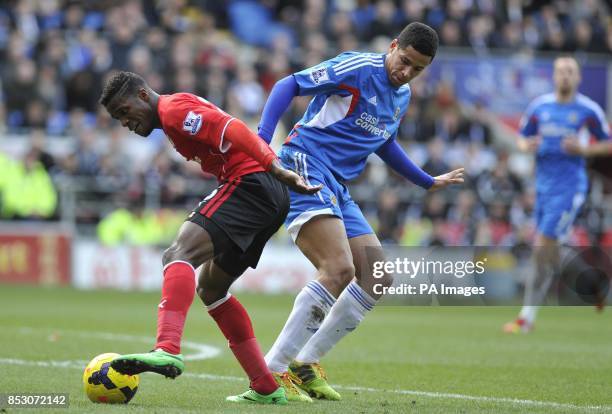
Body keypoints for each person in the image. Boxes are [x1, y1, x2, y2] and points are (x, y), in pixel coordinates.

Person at [257, 22, 464, 402]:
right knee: (338, 269)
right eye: (404, 61)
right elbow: (288, 85)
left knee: (378, 276)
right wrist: (260, 140)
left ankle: (305, 363)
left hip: (337, 186)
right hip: (304, 165)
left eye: (417, 69)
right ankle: (270, 374)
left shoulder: (402, 96)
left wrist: (426, 181)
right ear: (393, 45)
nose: (406, 72)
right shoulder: (357, 67)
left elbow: (384, 143)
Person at [99, 71, 322, 405]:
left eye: (125, 111)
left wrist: (273, 166)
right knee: (212, 289)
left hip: (252, 182)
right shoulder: (172, 117)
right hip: (265, 193)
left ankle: (167, 348)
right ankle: (265, 386)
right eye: (118, 118)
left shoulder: (173, 112)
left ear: (143, 96)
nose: (125, 122)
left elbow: (232, 128)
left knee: (177, 254)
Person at [503, 56, 611, 334]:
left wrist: (585, 150)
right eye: (560, 71)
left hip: (570, 186)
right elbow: (521, 137)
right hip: (543, 187)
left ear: (578, 78)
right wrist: (527, 145)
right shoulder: (540, 106)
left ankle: (526, 319)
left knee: (542, 245)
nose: (565, 76)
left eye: (570, 72)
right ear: (553, 76)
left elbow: (607, 143)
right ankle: (593, 285)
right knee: (549, 253)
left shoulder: (588, 110)